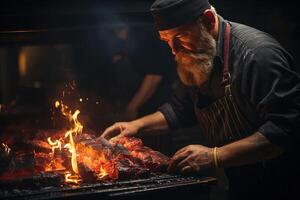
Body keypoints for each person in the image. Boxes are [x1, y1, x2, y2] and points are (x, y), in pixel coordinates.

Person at [101, 0, 300, 199]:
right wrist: (135, 125)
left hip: (281, 182)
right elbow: (181, 108)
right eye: (166, 41)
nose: (174, 50)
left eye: (181, 36)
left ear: (208, 19)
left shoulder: (258, 56)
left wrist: (215, 155)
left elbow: (286, 129)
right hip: (241, 178)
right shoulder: (197, 53)